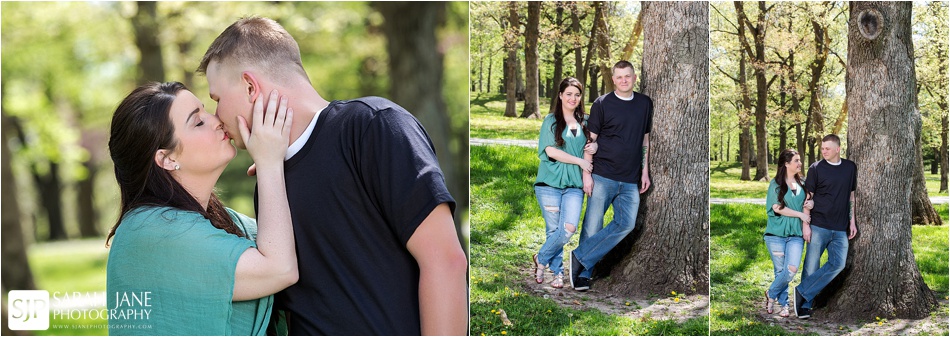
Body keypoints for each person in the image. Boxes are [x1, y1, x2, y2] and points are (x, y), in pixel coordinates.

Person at [196, 17, 468, 335]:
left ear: (250, 87)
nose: (215, 116)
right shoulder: (270, 182)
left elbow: (445, 262)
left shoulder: (373, 126)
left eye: (216, 99)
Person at [106, 82, 296, 335]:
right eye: (198, 122)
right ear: (167, 158)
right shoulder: (150, 232)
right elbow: (279, 269)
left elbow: (295, 246)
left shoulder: (224, 222)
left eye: (206, 111)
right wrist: (269, 164)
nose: (217, 119)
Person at [569, 60, 653, 291]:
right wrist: (587, 174)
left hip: (630, 179)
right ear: (613, 79)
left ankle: (580, 256)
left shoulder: (645, 103)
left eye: (628, 76)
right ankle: (583, 275)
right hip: (603, 175)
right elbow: (591, 140)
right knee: (592, 226)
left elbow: (645, 140)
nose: (624, 80)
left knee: (626, 223)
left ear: (634, 78)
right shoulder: (602, 103)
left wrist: (644, 171)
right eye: (619, 77)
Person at [531, 77, 595, 289]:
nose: (573, 98)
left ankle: (541, 259)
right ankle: (557, 272)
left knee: (567, 228)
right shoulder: (550, 121)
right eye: (568, 94)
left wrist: (594, 148)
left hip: (574, 186)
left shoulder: (586, 122)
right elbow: (550, 151)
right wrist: (579, 160)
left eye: (577, 95)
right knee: (553, 230)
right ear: (560, 95)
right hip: (549, 184)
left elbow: (591, 145)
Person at [794, 134, 858, 319]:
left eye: (827, 148)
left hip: (840, 227)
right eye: (822, 148)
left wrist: (852, 221)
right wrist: (806, 224)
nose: (824, 151)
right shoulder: (816, 168)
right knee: (811, 266)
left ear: (838, 149)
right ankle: (804, 306)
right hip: (819, 225)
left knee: (838, 264)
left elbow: (851, 196)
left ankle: (802, 291)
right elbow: (808, 198)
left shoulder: (849, 167)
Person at [763, 149, 813, 317]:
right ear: (786, 163)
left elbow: (808, 202)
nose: (800, 164)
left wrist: (810, 204)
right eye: (796, 161)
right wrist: (800, 214)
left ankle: (771, 294)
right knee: (780, 271)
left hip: (796, 235)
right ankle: (784, 305)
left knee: (791, 269)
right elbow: (777, 208)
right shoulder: (775, 184)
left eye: (800, 160)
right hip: (775, 235)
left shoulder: (803, 183)